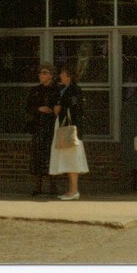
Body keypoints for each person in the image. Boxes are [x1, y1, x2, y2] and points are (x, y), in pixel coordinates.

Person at [50, 64, 88, 200]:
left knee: (72, 159)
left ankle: (74, 191)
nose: (60, 75)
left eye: (63, 73)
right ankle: (71, 190)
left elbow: (76, 109)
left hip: (71, 130)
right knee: (67, 159)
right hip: (65, 128)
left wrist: (61, 108)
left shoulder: (74, 90)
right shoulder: (64, 90)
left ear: (69, 76)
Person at [25, 63, 62, 196]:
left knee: (51, 156)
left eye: (45, 73)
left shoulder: (57, 90)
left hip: (52, 127)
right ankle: (38, 186)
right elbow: (28, 107)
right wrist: (38, 108)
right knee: (37, 157)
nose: (41, 75)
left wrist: (54, 110)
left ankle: (53, 186)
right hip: (38, 126)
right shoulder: (35, 90)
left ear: (51, 75)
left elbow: (62, 106)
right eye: (40, 73)